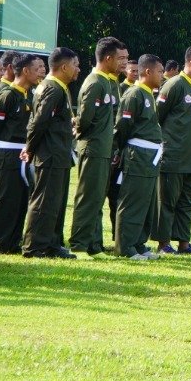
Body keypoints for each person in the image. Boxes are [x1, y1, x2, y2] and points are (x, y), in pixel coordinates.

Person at [67, 37, 126, 255]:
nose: (123, 63)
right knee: (88, 198)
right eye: (120, 58)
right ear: (108, 58)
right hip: (93, 148)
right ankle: (79, 245)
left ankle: (94, 245)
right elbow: (84, 120)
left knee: (97, 198)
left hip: (103, 149)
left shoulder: (107, 82)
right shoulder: (95, 83)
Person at [22, 47, 79, 259]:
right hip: (50, 154)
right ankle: (34, 246)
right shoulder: (52, 88)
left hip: (59, 154)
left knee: (56, 203)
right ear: (63, 67)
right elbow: (39, 122)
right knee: (44, 202)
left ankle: (52, 243)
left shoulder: (58, 88)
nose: (78, 69)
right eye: (75, 65)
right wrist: (30, 148)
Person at [0, 54, 42, 254]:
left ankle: (11, 242)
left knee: (19, 200)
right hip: (7, 153)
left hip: (22, 154)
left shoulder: (28, 95)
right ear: (25, 70)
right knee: (3, 198)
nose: (40, 73)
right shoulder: (7, 94)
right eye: (36, 69)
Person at [155, 45, 191, 255]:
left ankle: (184, 243)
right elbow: (157, 117)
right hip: (173, 155)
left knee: (187, 202)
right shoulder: (174, 85)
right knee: (167, 201)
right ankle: (163, 244)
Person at [112, 54, 165, 259]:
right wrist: (120, 151)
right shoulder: (134, 95)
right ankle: (125, 247)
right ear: (148, 72)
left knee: (146, 201)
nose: (162, 75)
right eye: (160, 71)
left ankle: (138, 243)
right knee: (132, 200)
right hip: (138, 155)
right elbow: (123, 127)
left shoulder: (149, 94)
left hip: (150, 156)